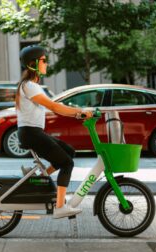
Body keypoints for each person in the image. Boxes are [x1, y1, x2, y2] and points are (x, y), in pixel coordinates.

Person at [17, 45, 93, 219]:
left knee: (69, 152)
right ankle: (60, 207)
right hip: (31, 133)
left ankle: (36, 178)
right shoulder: (30, 86)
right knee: (67, 163)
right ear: (33, 64)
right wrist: (78, 112)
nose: (46, 64)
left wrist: (76, 112)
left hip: (33, 132)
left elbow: (55, 107)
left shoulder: (31, 85)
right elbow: (53, 106)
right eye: (43, 60)